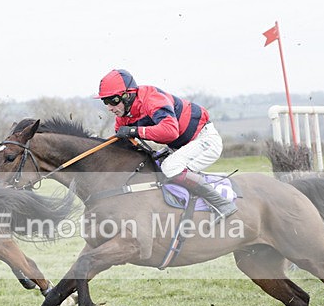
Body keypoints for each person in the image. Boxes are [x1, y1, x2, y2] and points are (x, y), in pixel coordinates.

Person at [95, 69, 237, 219]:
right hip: (180, 147)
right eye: (105, 101)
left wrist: (135, 131)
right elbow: (122, 144)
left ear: (128, 95)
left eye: (113, 100)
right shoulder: (124, 115)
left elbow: (170, 131)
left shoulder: (152, 99)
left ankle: (222, 203)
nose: (109, 107)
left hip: (205, 140)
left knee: (170, 168)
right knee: (151, 168)